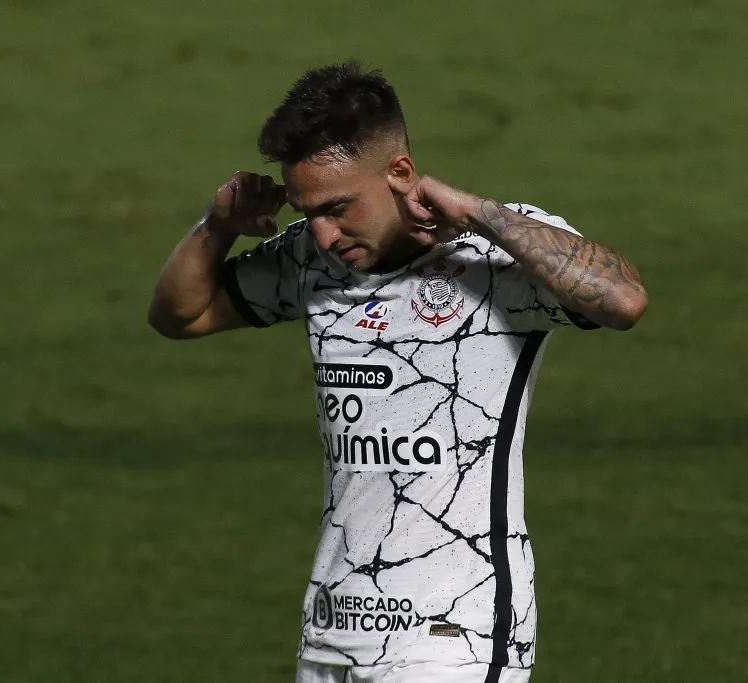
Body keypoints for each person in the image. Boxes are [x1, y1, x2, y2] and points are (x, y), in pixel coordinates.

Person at [148, 61, 647, 683]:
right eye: (310, 212)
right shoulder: (312, 261)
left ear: (401, 173)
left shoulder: (490, 256)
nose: (324, 234)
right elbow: (180, 314)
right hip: (331, 636)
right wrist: (219, 226)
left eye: (338, 207)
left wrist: (479, 212)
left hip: (451, 643)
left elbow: (623, 300)